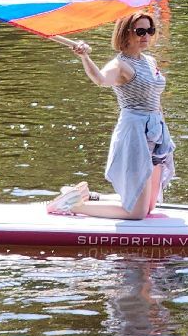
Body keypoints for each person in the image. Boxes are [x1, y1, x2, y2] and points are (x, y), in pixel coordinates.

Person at [47, 11, 175, 220]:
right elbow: (100, 79)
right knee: (137, 214)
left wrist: (162, 132)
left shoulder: (149, 61)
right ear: (126, 33)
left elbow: (155, 96)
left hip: (156, 132)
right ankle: (72, 206)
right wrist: (84, 56)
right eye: (140, 31)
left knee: (149, 207)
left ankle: (87, 195)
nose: (146, 36)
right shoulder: (119, 65)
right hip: (134, 132)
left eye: (150, 30)